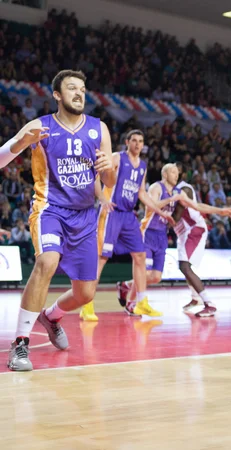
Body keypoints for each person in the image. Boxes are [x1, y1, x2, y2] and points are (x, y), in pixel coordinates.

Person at [1, 69, 116, 371]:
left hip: (84, 216)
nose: (80, 93)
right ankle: (20, 344)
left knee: (85, 293)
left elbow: (108, 180)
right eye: (72, 88)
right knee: (47, 262)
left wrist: (108, 170)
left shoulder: (98, 129)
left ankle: (50, 316)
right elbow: (2, 158)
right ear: (56, 95)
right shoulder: (41, 126)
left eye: (82, 88)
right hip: (50, 210)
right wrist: (19, 144)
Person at [75, 129, 176, 321]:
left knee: (140, 255)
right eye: (134, 141)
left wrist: (161, 211)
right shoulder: (117, 158)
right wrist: (101, 198)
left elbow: (142, 193)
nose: (138, 144)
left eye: (141, 141)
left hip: (128, 216)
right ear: (127, 142)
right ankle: (87, 305)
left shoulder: (143, 166)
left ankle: (141, 302)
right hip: (111, 212)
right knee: (101, 258)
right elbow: (96, 175)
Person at [172, 164, 231, 317]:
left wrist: (220, 211)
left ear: (180, 173)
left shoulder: (183, 189)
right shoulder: (169, 190)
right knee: (185, 266)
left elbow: (180, 215)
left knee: (184, 266)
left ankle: (209, 303)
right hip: (183, 232)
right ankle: (195, 298)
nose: (172, 173)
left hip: (193, 229)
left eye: (175, 170)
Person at [117, 163, 180, 316]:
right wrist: (170, 199)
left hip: (162, 235)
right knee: (144, 272)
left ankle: (126, 285)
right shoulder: (156, 188)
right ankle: (131, 304)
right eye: (172, 172)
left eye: (177, 172)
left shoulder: (177, 192)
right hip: (148, 232)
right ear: (164, 174)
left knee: (156, 277)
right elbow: (151, 206)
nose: (176, 175)